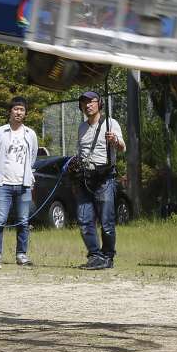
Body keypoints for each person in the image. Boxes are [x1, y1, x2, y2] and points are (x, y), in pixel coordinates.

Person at [73, 90, 125, 270]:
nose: (88, 105)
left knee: (106, 221)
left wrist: (114, 140)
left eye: (91, 101)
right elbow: (80, 151)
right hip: (86, 178)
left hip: (105, 178)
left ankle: (108, 256)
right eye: (84, 102)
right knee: (84, 219)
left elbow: (122, 147)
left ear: (99, 103)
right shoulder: (82, 127)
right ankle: (94, 255)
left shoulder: (111, 123)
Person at [0, 96, 39, 267]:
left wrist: (28, 177)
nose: (18, 112)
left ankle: (21, 254)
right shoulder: (0, 131)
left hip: (23, 183)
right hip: (2, 183)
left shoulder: (30, 134)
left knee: (23, 221)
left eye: (22, 110)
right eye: (15, 109)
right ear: (10, 111)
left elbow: (33, 156)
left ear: (25, 113)